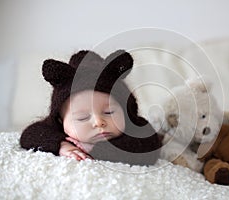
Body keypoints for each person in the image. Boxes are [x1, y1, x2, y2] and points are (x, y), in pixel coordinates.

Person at [20, 49, 161, 165]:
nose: (99, 122)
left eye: (109, 112)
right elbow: (29, 135)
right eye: (82, 117)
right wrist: (61, 145)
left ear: (125, 112)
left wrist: (94, 149)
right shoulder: (55, 130)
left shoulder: (135, 129)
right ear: (61, 121)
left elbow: (150, 148)